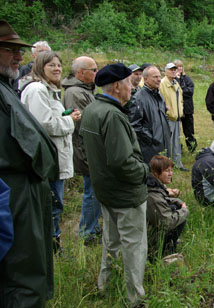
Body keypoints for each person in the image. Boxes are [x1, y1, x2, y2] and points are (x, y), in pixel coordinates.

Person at [0, 19, 59, 307]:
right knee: (20, 272)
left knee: (29, 267)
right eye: (10, 49)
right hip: (12, 195)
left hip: (26, 191)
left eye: (19, 50)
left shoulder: (6, 88)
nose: (18, 57)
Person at [80, 63, 149, 307]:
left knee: (111, 242)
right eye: (130, 82)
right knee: (134, 247)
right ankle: (134, 299)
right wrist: (145, 170)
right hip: (125, 194)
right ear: (118, 86)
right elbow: (122, 161)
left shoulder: (93, 109)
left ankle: (105, 287)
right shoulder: (112, 115)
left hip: (105, 191)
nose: (133, 87)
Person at [20, 51, 80, 253]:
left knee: (54, 205)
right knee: (51, 205)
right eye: (51, 65)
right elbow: (44, 124)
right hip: (47, 160)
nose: (57, 69)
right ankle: (50, 248)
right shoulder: (37, 90)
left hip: (55, 158)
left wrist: (65, 116)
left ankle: (53, 245)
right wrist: (69, 121)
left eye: (59, 65)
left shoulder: (50, 91)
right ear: (39, 67)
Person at [62, 56, 102, 245]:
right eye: (93, 69)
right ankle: (87, 233)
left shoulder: (85, 90)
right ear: (80, 72)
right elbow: (83, 123)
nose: (96, 72)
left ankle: (93, 227)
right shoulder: (75, 92)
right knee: (92, 190)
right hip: (84, 148)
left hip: (89, 147)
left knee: (95, 189)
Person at [146, 155, 189, 258]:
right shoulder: (153, 195)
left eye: (171, 170)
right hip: (148, 239)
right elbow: (166, 223)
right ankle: (163, 251)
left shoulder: (154, 185)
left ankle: (168, 245)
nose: (170, 174)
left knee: (174, 206)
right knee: (177, 212)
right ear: (156, 173)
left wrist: (178, 201)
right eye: (167, 171)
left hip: (149, 231)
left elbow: (164, 197)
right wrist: (184, 211)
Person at [130, 65, 171, 163]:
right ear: (146, 79)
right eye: (155, 77)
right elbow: (135, 125)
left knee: (164, 174)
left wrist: (167, 131)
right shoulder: (138, 98)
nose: (159, 79)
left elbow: (163, 116)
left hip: (164, 144)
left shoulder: (159, 95)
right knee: (153, 176)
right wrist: (152, 140)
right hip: (150, 149)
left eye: (159, 77)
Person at [160, 62, 188, 171]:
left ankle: (177, 163)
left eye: (174, 69)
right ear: (165, 71)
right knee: (167, 142)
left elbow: (180, 100)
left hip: (177, 118)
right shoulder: (162, 84)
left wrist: (180, 111)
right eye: (170, 69)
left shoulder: (176, 83)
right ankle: (166, 165)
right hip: (168, 118)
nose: (173, 71)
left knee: (176, 142)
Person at [174, 59, 197, 153]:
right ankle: (178, 148)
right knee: (176, 131)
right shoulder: (171, 80)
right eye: (177, 67)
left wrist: (180, 87)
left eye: (181, 66)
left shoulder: (187, 79)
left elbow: (190, 91)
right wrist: (177, 80)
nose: (179, 68)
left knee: (189, 131)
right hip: (176, 109)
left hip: (187, 109)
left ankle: (192, 148)